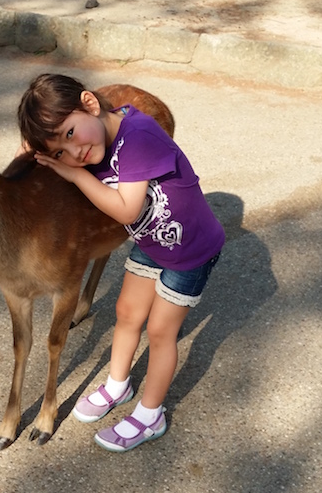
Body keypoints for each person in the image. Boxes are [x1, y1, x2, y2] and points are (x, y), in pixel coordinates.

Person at [17, 74, 225, 452]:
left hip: (190, 250)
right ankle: (118, 383)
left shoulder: (138, 137)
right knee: (127, 312)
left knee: (161, 332)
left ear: (90, 104)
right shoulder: (96, 139)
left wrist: (75, 174)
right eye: (60, 151)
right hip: (151, 240)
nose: (73, 151)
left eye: (69, 133)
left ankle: (150, 413)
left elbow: (126, 207)